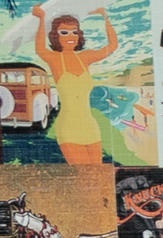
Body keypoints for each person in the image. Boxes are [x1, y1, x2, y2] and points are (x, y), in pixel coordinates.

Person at [34, 8, 117, 166]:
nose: (70, 36)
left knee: (98, 174)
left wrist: (105, 17)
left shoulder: (84, 57)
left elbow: (112, 46)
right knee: (84, 175)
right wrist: (41, 18)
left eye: (74, 32)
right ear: (56, 36)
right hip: (68, 127)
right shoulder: (55, 59)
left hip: (90, 126)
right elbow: (39, 49)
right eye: (64, 32)